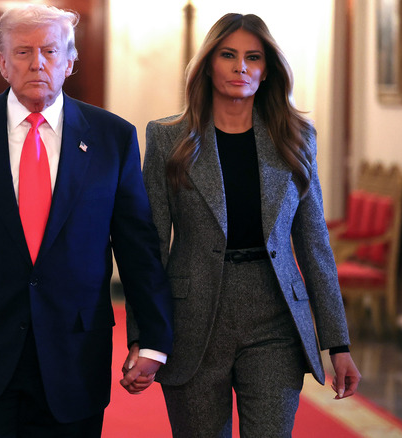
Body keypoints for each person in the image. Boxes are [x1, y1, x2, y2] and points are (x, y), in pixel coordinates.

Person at [0, 4, 174, 437]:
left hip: (74, 355)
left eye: (50, 51)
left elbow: (138, 249)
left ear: (70, 60)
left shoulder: (112, 137)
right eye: (22, 52)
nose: (37, 63)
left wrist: (151, 337)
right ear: (2, 63)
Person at [124, 13, 362, 437]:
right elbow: (151, 246)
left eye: (253, 57)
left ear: (267, 68)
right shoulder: (167, 139)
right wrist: (144, 340)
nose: (241, 67)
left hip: (275, 316)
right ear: (208, 64)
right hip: (193, 317)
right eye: (228, 55)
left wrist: (337, 343)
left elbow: (314, 244)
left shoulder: (296, 137)